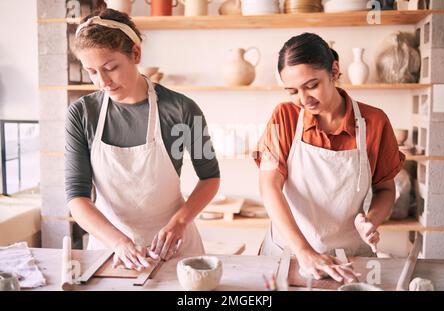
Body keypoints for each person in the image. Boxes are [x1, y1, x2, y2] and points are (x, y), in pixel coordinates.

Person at [65, 9, 220, 271]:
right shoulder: (82, 114)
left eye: (111, 68)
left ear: (135, 54)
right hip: (111, 250)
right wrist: (120, 243)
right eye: (91, 72)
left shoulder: (182, 109)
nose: (102, 82)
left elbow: (210, 177)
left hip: (174, 249)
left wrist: (180, 222)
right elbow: (76, 197)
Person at [255, 33, 405, 282]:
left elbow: (386, 190)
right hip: (289, 254)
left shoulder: (375, 123)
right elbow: (269, 187)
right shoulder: (285, 117)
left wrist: (371, 221)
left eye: (311, 85)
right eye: (292, 91)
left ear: (334, 71)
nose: (303, 100)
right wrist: (304, 251)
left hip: (350, 261)